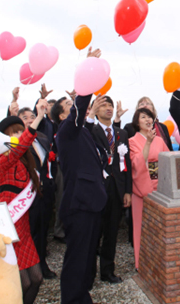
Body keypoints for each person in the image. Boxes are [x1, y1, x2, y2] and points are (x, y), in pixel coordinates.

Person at [55, 47, 107, 304]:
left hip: (93, 201)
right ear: (63, 115)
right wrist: (88, 70)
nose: (73, 104)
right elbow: (79, 112)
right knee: (76, 259)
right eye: (68, 104)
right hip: (79, 204)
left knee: (87, 257)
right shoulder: (66, 132)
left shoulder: (84, 131)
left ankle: (83, 295)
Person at [0, 99, 47, 304]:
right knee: (23, 283)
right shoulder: (2, 162)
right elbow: (20, 146)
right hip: (9, 228)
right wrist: (39, 117)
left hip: (23, 227)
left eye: (19, 131)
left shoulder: (25, 162)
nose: (17, 135)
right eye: (13, 133)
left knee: (37, 278)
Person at [85, 95, 132, 284]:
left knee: (112, 233)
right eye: (103, 105)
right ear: (95, 109)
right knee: (93, 233)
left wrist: (127, 190)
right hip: (97, 189)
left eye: (110, 105)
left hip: (117, 190)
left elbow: (126, 164)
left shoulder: (121, 134)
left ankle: (107, 271)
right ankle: (88, 275)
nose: (108, 108)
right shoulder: (90, 131)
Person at [17, 106, 57, 279]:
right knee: (30, 230)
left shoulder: (42, 138)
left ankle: (42, 263)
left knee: (42, 229)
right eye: (25, 117)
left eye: (32, 116)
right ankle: (28, 267)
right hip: (26, 193)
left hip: (45, 190)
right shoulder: (17, 141)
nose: (30, 119)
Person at [128, 107, 170, 270]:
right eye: (143, 117)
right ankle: (142, 263)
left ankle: (160, 261)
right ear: (137, 122)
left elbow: (167, 161)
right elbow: (137, 163)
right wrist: (148, 142)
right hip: (142, 188)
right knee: (141, 227)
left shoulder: (159, 140)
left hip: (160, 187)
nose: (147, 120)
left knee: (160, 226)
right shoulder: (132, 141)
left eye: (150, 117)